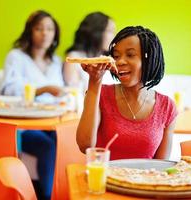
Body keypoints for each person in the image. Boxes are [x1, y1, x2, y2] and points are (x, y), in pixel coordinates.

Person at [76, 26, 178, 160]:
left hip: (146, 180)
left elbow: (161, 166)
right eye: (116, 56)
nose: (120, 62)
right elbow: (85, 146)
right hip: (105, 179)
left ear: (149, 59)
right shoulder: (101, 94)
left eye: (130, 55)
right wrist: (95, 81)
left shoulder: (167, 107)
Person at [0, 10, 64, 200]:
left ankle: (63, 192)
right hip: (23, 125)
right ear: (30, 32)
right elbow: (8, 90)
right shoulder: (16, 56)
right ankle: (46, 196)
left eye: (50, 29)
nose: (45, 33)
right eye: (39, 28)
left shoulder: (55, 61)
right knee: (47, 146)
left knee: (66, 140)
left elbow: (59, 92)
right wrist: (41, 89)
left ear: (55, 34)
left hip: (51, 121)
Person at [63, 12, 116, 94]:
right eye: (110, 31)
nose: (114, 36)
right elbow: (74, 94)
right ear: (96, 33)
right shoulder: (74, 58)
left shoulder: (110, 59)